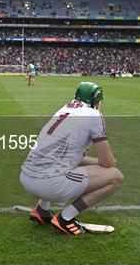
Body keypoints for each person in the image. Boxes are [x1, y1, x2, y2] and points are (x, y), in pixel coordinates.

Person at [20, 82, 124, 235]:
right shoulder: (93, 115)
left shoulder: (64, 109)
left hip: (26, 177)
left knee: (64, 163)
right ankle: (65, 218)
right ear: (96, 100)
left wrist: (98, 162)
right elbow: (107, 163)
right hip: (49, 184)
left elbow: (76, 157)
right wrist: (107, 162)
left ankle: (41, 209)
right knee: (116, 176)